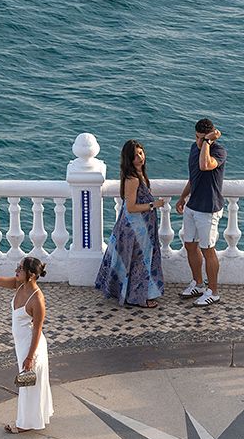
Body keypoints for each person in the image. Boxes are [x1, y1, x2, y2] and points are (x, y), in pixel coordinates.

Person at [0, 250, 52, 432]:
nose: (16, 270)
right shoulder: (19, 285)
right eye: (17, 267)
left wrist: (30, 357)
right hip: (22, 345)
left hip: (32, 347)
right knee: (30, 385)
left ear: (31, 275)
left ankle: (24, 424)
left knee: (28, 385)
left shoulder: (38, 300)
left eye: (20, 268)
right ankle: (34, 419)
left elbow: (37, 329)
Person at [94, 139, 165, 307]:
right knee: (140, 263)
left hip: (140, 227)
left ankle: (131, 295)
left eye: (141, 153)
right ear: (129, 159)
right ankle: (139, 298)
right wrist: (153, 205)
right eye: (135, 156)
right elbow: (132, 207)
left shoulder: (139, 175)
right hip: (135, 228)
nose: (140, 158)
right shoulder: (133, 179)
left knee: (134, 262)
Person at [176, 117, 225, 306]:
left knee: (207, 249)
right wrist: (183, 196)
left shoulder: (219, 151)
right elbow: (194, 176)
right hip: (192, 205)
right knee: (190, 245)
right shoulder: (193, 148)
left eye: (202, 138)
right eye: (197, 137)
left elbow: (205, 165)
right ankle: (198, 283)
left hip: (208, 208)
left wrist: (207, 142)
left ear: (211, 137)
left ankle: (213, 291)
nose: (198, 141)